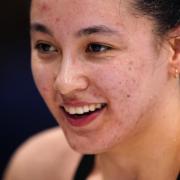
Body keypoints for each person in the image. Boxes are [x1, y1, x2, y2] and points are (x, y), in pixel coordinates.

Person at [3, 0, 180, 179]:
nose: (64, 83)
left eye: (97, 48)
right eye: (45, 46)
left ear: (175, 50)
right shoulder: (38, 168)